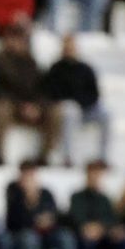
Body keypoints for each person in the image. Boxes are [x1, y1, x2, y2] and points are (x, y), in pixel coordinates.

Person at [0, 25, 61, 165]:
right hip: (12, 106)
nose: (18, 43)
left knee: (56, 111)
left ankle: (46, 155)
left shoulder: (31, 62)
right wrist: (21, 105)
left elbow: (42, 89)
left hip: (32, 106)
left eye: (21, 39)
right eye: (14, 38)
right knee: (0, 109)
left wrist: (37, 106)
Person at [0, 158, 70, 249]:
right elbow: (13, 221)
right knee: (29, 238)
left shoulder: (46, 193)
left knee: (66, 238)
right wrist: (30, 202)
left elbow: (56, 216)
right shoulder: (13, 192)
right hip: (21, 236)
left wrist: (47, 221)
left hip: (46, 236)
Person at [42, 33, 111, 167]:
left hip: (86, 108)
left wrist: (83, 103)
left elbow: (94, 93)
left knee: (107, 114)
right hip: (67, 110)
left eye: (72, 46)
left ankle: (103, 157)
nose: (69, 49)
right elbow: (52, 93)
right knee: (70, 110)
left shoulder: (86, 69)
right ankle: (68, 157)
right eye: (67, 46)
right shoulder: (56, 69)